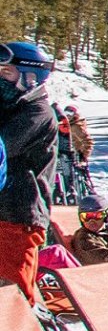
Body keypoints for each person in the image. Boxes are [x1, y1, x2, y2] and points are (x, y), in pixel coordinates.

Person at [0, 41, 58, 298]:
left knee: (12, 295)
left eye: (7, 73)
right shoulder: (12, 108)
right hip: (6, 212)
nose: (0, 79)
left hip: (19, 217)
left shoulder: (37, 112)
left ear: (30, 77)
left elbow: (5, 145)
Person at [69, 193, 108, 266]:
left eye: (97, 216)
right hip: (105, 273)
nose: (91, 221)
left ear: (106, 216)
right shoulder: (84, 238)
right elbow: (101, 256)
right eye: (86, 216)